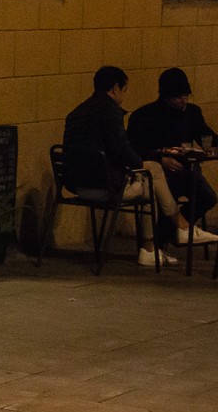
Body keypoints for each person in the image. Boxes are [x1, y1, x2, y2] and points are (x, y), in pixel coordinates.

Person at [63, 66, 190, 267]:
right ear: (115, 88)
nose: (123, 96)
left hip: (78, 186)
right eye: (124, 90)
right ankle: (180, 228)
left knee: (149, 182)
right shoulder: (110, 110)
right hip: (106, 187)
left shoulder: (76, 113)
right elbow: (121, 149)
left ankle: (151, 248)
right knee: (152, 171)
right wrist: (139, 163)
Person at [126, 67, 218, 245]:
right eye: (178, 97)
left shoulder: (192, 113)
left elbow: (206, 136)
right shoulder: (145, 116)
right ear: (165, 96)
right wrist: (161, 158)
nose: (184, 101)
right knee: (165, 194)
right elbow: (134, 149)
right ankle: (172, 234)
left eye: (186, 95)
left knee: (207, 196)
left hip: (184, 169)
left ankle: (172, 232)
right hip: (157, 171)